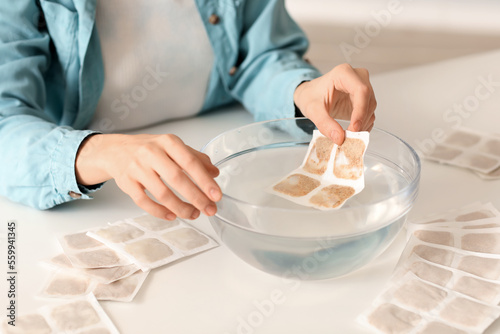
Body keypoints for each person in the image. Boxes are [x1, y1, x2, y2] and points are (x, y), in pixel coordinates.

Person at [0, 0, 376, 221]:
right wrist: (100, 151)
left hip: (227, 146)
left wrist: (302, 93)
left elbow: (257, 55)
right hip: (95, 199)